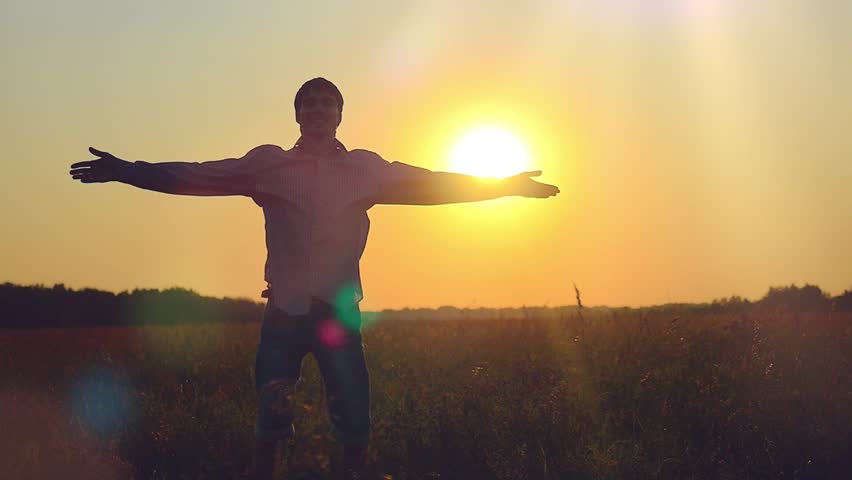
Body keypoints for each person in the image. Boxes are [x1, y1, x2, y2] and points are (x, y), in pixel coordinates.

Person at [69, 77, 560, 479]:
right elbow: (198, 175)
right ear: (298, 114)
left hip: (339, 316)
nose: (319, 108)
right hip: (284, 313)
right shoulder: (269, 165)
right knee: (271, 420)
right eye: (310, 102)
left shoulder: (365, 169)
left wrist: (504, 186)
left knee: (354, 419)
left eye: (328, 102)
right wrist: (128, 171)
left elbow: (432, 184)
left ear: (340, 114)